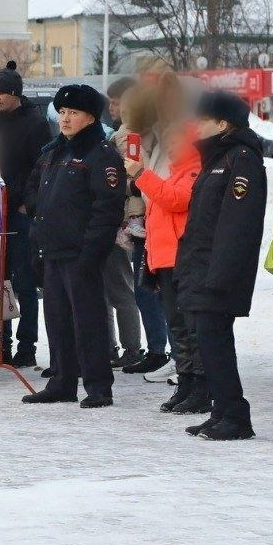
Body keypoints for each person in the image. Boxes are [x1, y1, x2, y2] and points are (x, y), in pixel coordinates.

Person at [22, 84, 124, 409]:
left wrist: (92, 253)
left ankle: (98, 386)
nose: (65, 119)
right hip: (51, 250)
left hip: (81, 254)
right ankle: (62, 382)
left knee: (88, 321)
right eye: (62, 112)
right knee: (57, 321)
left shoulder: (101, 155)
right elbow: (34, 190)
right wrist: (40, 225)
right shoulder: (54, 151)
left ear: (91, 117)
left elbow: (107, 209)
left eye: (73, 113)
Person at [172, 91, 265, 440]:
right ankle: (222, 411)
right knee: (208, 344)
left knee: (216, 343)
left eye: (203, 119)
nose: (196, 126)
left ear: (223, 124)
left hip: (219, 272)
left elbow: (237, 224)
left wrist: (221, 274)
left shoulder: (241, 160)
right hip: (201, 268)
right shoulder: (216, 158)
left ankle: (236, 416)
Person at [124, 116, 203, 410]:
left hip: (182, 261)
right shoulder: (173, 173)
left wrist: (141, 174)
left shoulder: (195, 171)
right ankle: (186, 383)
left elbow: (175, 200)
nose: (170, 147)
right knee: (178, 328)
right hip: (164, 261)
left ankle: (199, 388)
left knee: (189, 329)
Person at [0, 61, 53, 367]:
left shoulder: (35, 124)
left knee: (24, 281)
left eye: (2, 93)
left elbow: (41, 167)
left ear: (15, 94)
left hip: (20, 212)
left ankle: (27, 346)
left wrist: (28, 203)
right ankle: (1, 344)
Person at [119, 77, 173, 376]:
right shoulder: (133, 137)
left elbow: (157, 181)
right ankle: (158, 350)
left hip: (157, 220)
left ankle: (173, 354)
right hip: (142, 220)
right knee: (145, 290)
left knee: (162, 292)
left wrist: (134, 182)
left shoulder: (164, 138)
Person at [105, 85, 148, 369]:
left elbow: (131, 174)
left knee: (121, 288)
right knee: (108, 290)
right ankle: (111, 347)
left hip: (123, 219)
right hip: (116, 217)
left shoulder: (130, 136)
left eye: (118, 103)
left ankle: (132, 347)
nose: (113, 108)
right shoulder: (116, 134)